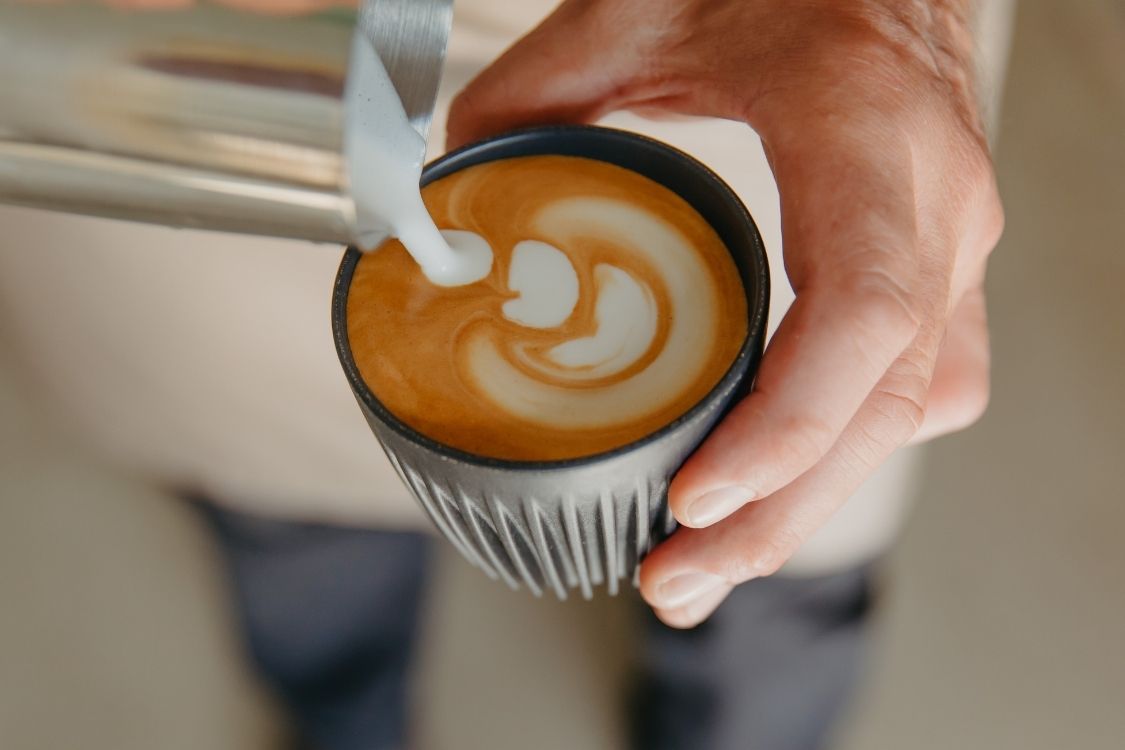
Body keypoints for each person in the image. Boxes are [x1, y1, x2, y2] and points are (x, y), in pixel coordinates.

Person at [0, 0, 1013, 748]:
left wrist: (891, 23)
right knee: (293, 533)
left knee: (782, 535)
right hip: (181, 97)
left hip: (746, 67)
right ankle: (341, 715)